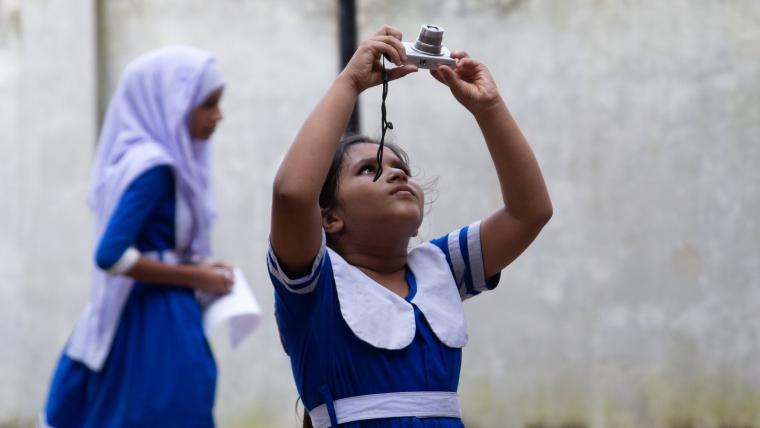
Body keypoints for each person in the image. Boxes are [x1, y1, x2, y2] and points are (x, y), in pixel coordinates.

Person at [268, 25, 553, 427]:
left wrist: (489, 109)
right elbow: (291, 195)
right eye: (369, 169)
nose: (397, 176)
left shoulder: (439, 266)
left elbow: (530, 212)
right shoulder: (313, 286)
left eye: (401, 169)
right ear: (329, 218)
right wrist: (350, 82)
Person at [40, 46, 233, 428]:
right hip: (152, 321)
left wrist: (196, 265)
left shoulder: (156, 162)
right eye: (207, 104)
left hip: (152, 311)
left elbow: (151, 246)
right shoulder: (155, 167)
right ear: (174, 103)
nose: (218, 116)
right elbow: (110, 255)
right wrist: (198, 276)